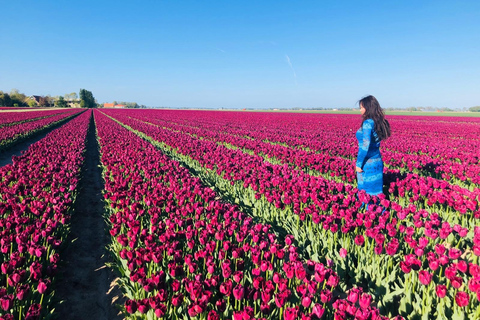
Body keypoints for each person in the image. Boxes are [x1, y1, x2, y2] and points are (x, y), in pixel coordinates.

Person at [355, 95, 391, 197]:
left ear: (368, 108)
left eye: (362, 107)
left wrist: (358, 164)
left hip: (367, 164)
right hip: (377, 162)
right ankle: (381, 212)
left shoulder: (367, 123)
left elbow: (365, 146)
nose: (360, 110)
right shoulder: (379, 122)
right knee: (376, 194)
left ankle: (366, 212)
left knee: (365, 194)